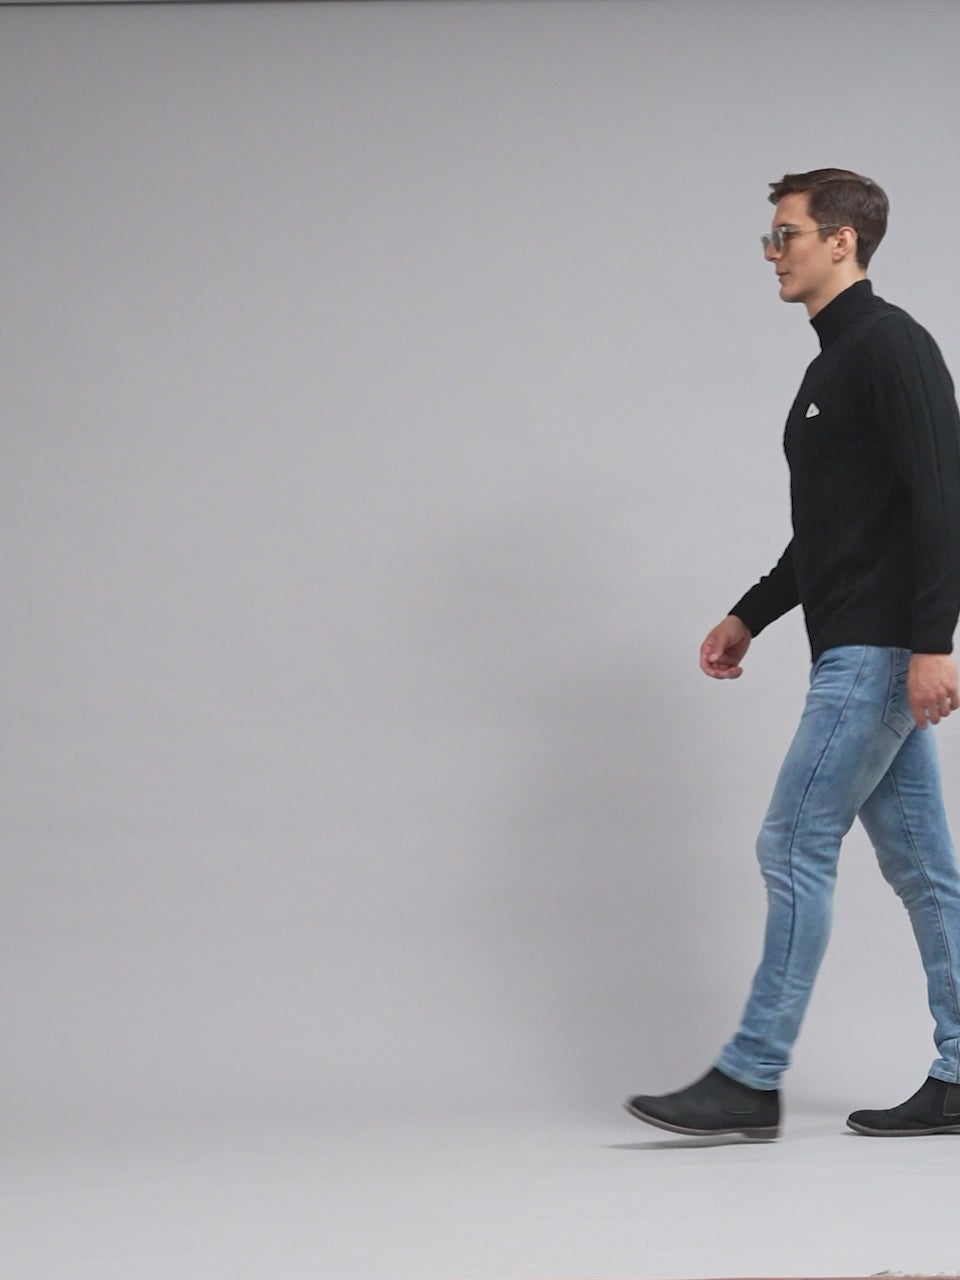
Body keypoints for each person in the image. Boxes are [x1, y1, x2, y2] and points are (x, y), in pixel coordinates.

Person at [624, 168, 960, 1140]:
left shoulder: (891, 346)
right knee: (925, 869)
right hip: (858, 644)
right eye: (770, 238)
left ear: (841, 242)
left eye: (787, 234)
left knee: (792, 842)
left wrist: (933, 642)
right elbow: (830, 534)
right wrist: (751, 614)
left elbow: (945, 498)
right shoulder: (830, 368)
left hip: (878, 651)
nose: (772, 254)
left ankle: (750, 1074)